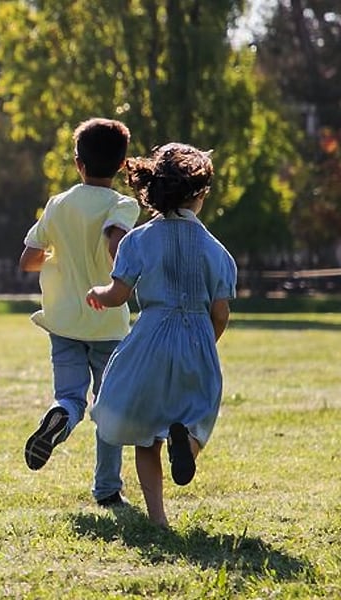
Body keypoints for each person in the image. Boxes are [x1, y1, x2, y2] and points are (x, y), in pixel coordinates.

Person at [87, 143, 234, 527]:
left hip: (150, 337)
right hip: (197, 338)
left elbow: (118, 295)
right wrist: (205, 342)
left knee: (144, 432)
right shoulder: (217, 252)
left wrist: (97, 294)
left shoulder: (137, 240)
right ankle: (186, 445)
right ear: (199, 194)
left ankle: (158, 519)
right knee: (199, 415)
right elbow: (221, 312)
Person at [19, 118, 140, 508]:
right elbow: (114, 239)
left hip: (63, 320)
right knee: (109, 406)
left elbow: (28, 259)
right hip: (106, 321)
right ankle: (107, 489)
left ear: (77, 163)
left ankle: (59, 416)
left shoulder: (58, 204)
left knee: (69, 396)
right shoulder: (124, 203)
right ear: (122, 165)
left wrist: (61, 257)